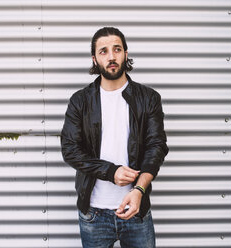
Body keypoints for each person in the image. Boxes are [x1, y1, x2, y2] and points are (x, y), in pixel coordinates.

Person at [61, 27, 169, 248]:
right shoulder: (80, 101)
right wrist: (111, 171)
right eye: (103, 51)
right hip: (94, 213)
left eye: (117, 49)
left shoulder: (148, 98)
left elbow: (156, 147)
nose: (111, 56)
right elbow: (70, 149)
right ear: (94, 58)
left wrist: (139, 190)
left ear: (125, 54)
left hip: (136, 210)